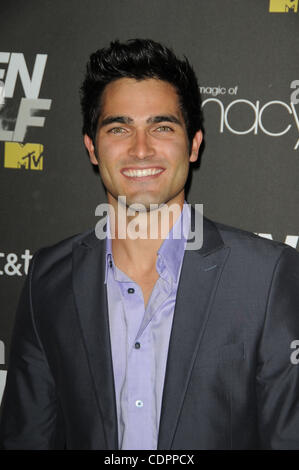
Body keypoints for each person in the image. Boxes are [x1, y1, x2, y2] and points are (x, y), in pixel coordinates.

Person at [0, 38, 299, 450]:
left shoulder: (266, 278)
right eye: (119, 128)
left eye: (161, 127)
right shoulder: (49, 280)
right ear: (92, 147)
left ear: (194, 144)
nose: (141, 149)